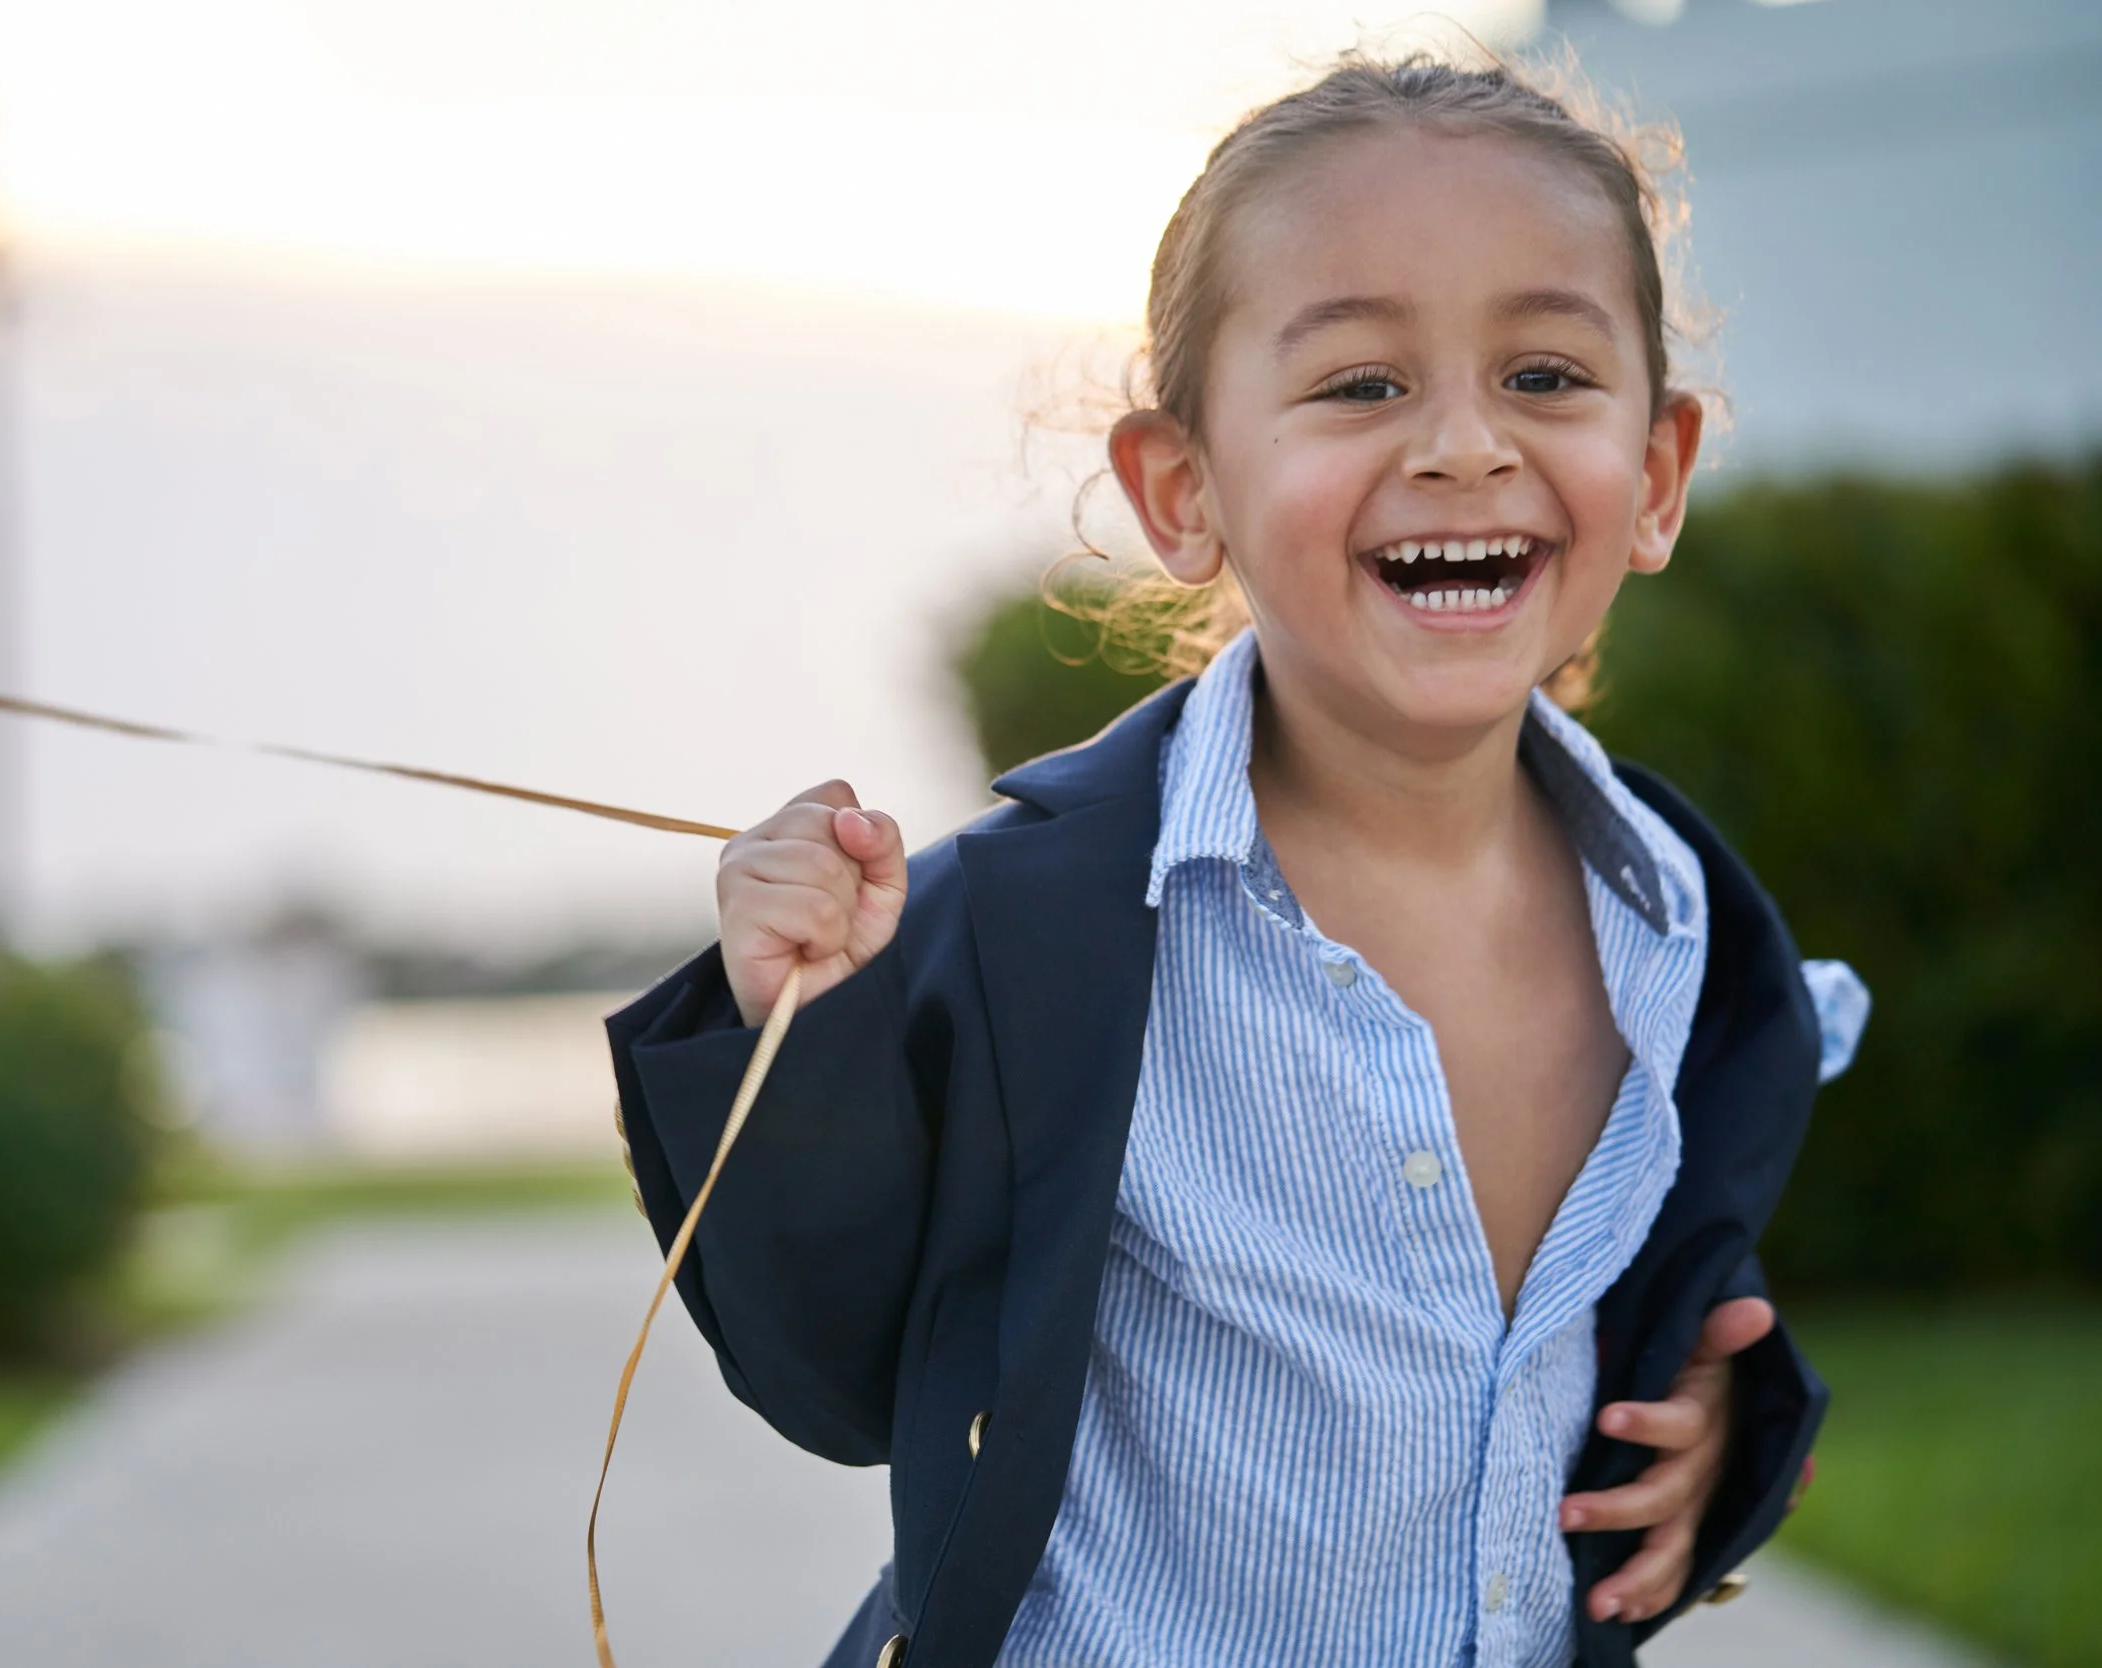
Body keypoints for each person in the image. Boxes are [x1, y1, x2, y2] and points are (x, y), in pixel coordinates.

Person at [607, 52, 1867, 1668]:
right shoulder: (1033, 920)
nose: (1466, 445)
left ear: (1661, 473)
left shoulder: (1678, 916)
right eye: (1361, 384)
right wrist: (806, 1030)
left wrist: (1710, 1424)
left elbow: (1658, 1295)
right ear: (1184, 490)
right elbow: (838, 1373)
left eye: (1547, 375)